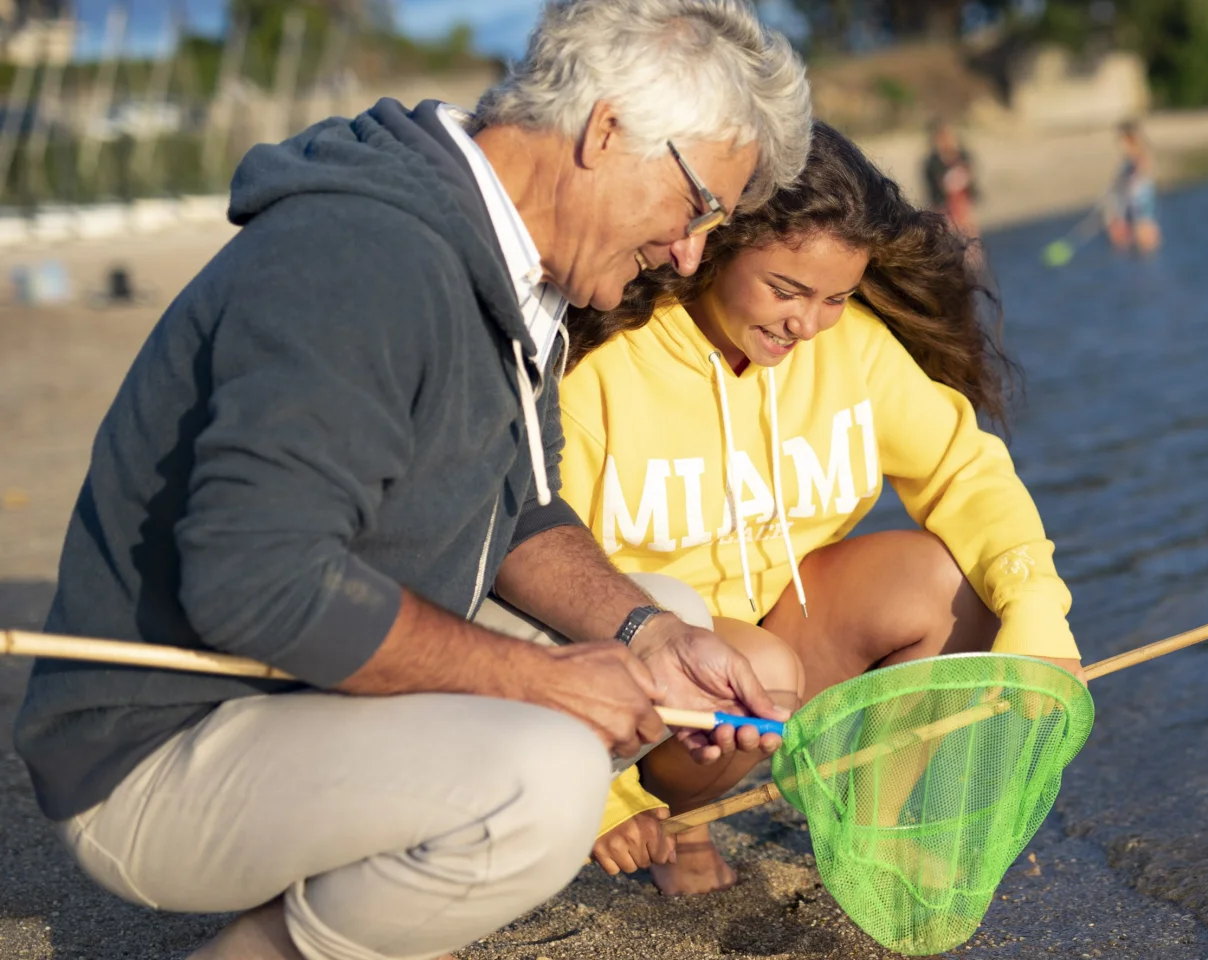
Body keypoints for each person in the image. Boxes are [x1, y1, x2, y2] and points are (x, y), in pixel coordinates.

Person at [8, 2, 811, 958]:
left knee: (654, 620)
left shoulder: (511, 266)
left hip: (301, 690)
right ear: (605, 131)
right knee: (545, 777)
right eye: (697, 209)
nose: (688, 254)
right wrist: (535, 681)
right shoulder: (363, 257)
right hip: (159, 746)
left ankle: (369, 859)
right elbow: (254, 577)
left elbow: (517, 511)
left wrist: (651, 632)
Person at [559, 120, 1083, 896]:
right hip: (650, 670)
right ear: (711, 246)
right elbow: (546, 578)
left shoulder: (853, 348)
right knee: (756, 666)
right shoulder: (603, 372)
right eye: (786, 290)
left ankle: (867, 817)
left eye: (835, 296)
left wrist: (1039, 612)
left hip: (790, 631)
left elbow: (964, 472)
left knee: (949, 579)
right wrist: (607, 797)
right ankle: (679, 822)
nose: (807, 324)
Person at [1105, 120, 1160, 255]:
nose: (1120, 147)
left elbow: (1142, 174)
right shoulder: (1127, 163)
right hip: (1131, 212)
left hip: (1142, 214)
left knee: (1146, 252)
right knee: (1125, 249)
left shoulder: (1141, 158)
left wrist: (1133, 178)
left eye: (1122, 142)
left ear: (1131, 140)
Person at [922, 118, 980, 241]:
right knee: (948, 240)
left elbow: (971, 179)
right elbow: (936, 186)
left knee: (970, 239)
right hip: (943, 207)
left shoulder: (964, 156)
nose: (947, 141)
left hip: (963, 205)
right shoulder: (932, 162)